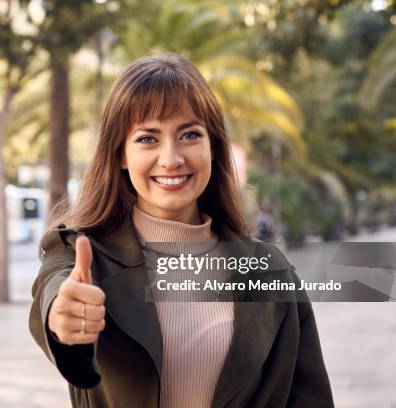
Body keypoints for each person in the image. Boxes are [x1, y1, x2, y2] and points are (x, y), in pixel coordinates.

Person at [28, 53, 334, 408]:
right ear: (120, 154)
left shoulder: (270, 270)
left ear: (212, 147)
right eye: (147, 138)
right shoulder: (81, 254)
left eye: (190, 134)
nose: (171, 158)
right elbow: (55, 292)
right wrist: (63, 317)